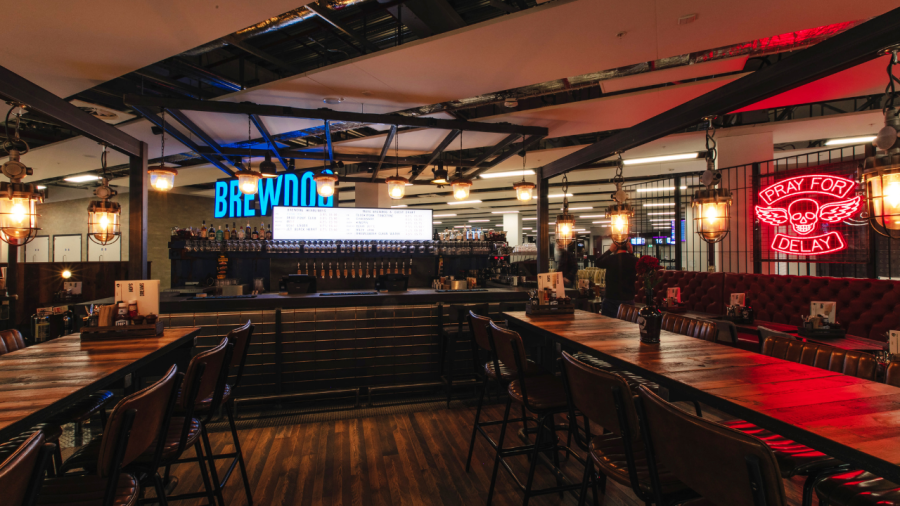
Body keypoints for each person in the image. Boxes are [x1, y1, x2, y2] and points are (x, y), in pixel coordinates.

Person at [595, 241, 637, 317]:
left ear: (615, 247)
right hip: (628, 297)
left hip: (611, 297)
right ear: (628, 247)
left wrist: (609, 251)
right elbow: (639, 265)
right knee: (628, 324)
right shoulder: (633, 260)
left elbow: (597, 262)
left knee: (609, 324)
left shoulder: (610, 259)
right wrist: (631, 253)